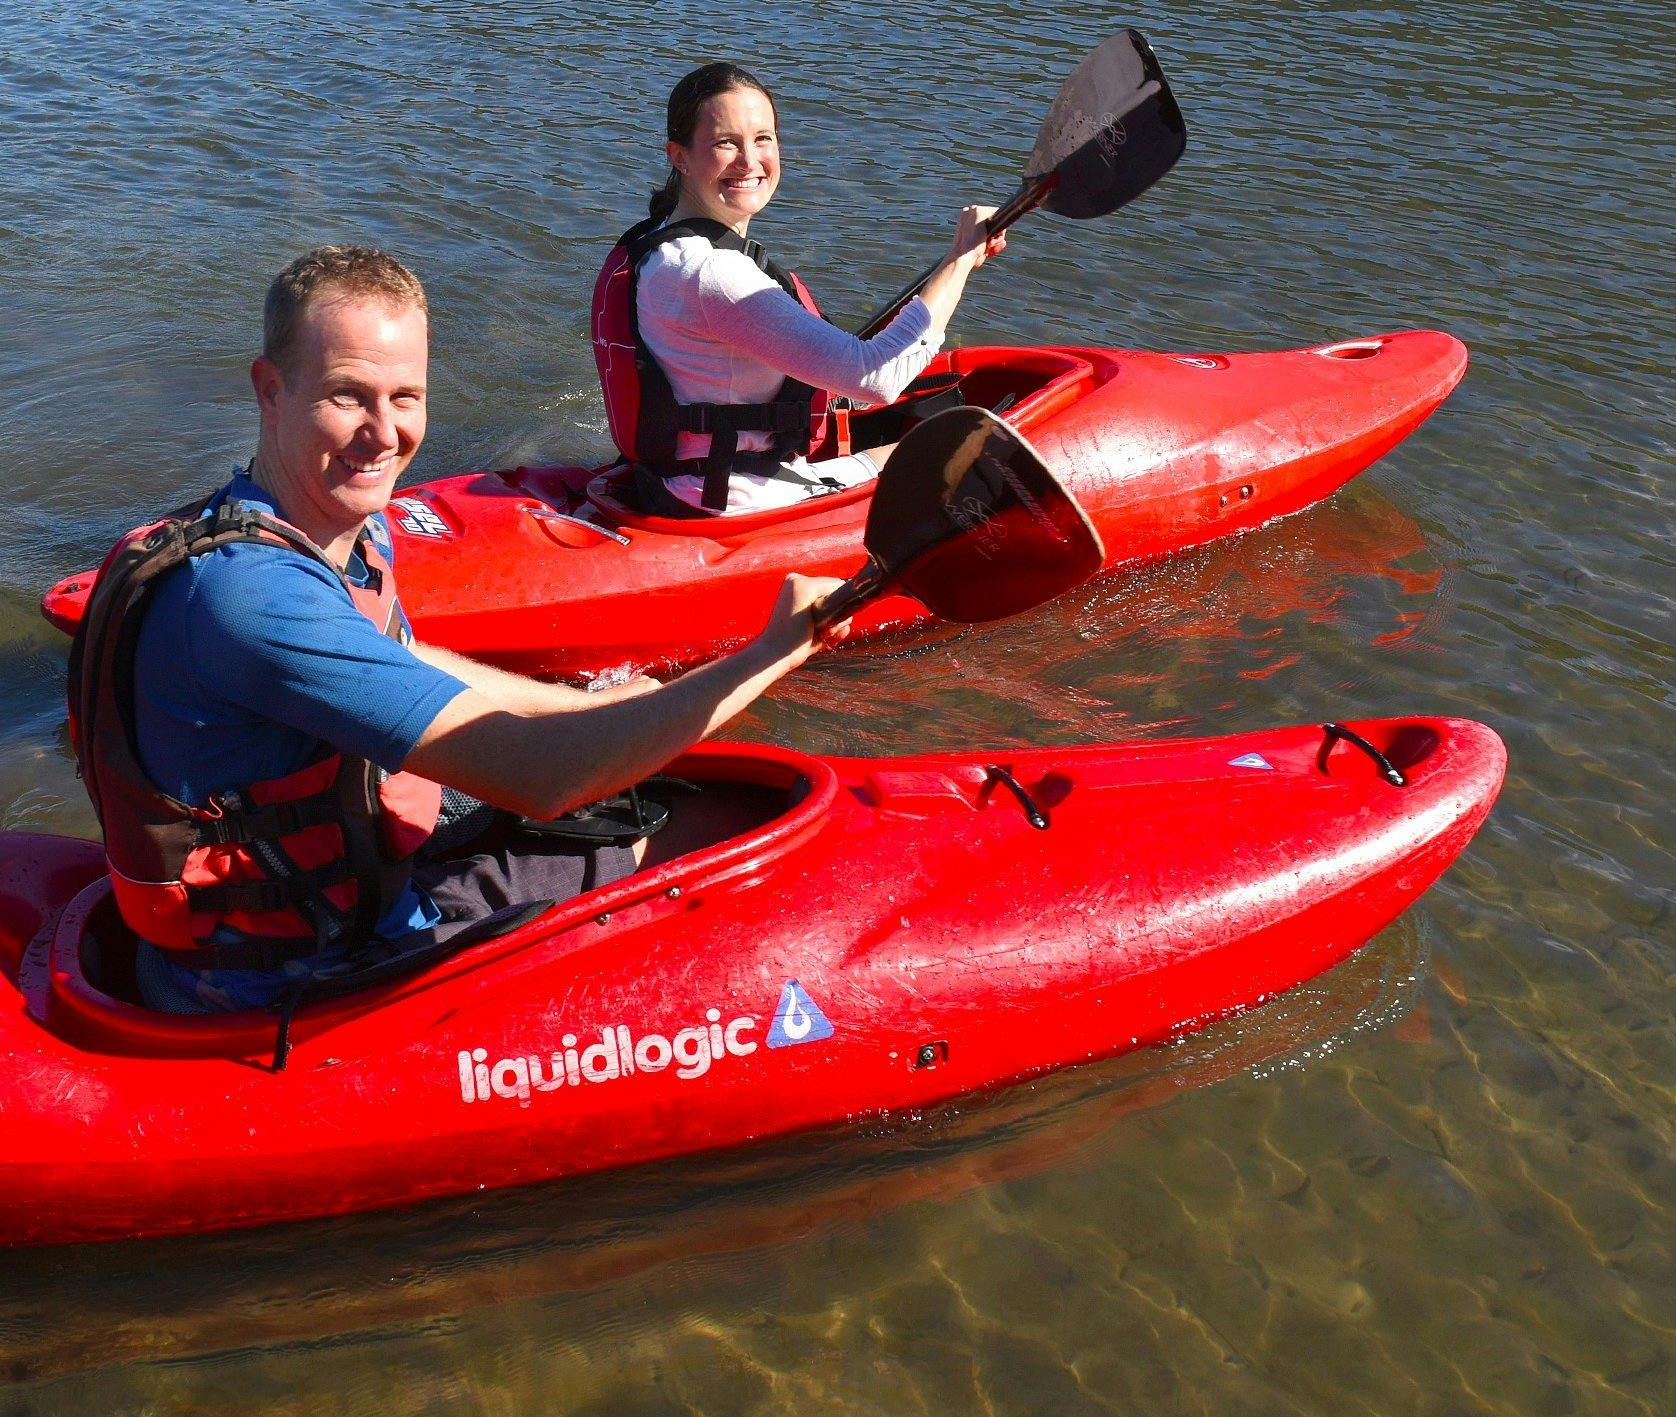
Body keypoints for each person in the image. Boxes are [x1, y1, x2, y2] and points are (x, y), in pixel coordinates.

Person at [68, 245, 837, 1014]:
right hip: (289, 979)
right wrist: (776, 649)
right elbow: (546, 778)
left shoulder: (333, 524)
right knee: (694, 840)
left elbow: (404, 657)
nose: (382, 434)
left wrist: (589, 706)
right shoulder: (250, 598)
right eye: (347, 396)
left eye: (404, 397)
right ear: (270, 389)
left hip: (354, 893)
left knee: (667, 801)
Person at [589, 62, 1006, 514]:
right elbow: (879, 377)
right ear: (680, 156)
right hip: (730, 500)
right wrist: (960, 258)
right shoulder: (713, 272)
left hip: (682, 480)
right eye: (726, 143)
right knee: (966, 447)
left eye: (762, 139)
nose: (749, 161)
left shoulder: (659, 241)